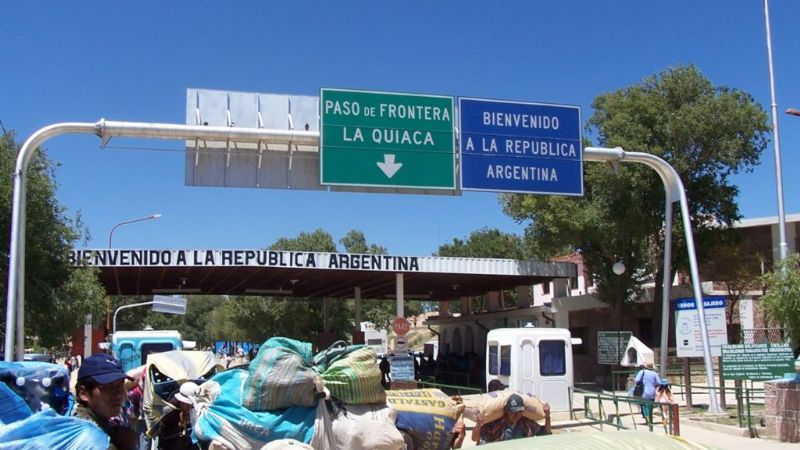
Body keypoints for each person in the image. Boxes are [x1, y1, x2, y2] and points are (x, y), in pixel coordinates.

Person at [73, 354, 137, 450]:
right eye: (107, 388)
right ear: (84, 393)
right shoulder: (90, 439)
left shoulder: (101, 423)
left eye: (120, 386)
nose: (118, 394)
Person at [471, 394, 551, 444]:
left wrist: (547, 417)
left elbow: (546, 432)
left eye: (519, 412)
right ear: (506, 410)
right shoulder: (495, 425)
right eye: (513, 412)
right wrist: (478, 424)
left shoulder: (526, 424)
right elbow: (475, 439)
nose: (517, 415)